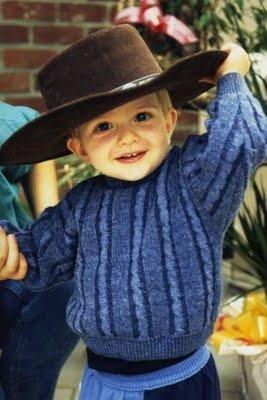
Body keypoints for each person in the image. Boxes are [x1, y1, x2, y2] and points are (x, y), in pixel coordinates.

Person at [0, 24, 266, 399]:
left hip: (182, 381)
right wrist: (8, 248)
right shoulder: (82, 206)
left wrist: (232, 77)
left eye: (142, 116)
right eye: (104, 126)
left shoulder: (195, 183)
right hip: (105, 383)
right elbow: (37, 254)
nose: (127, 136)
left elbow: (242, 142)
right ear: (80, 148)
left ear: (169, 122)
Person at [0, 103, 79, 400]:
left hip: (15, 269)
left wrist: (49, 228)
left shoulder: (4, 125)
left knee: (65, 288)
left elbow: (34, 132)